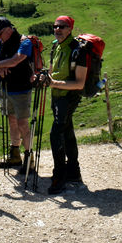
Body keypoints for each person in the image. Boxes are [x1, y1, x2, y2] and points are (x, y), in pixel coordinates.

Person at [39, 14, 99, 193]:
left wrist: (52, 83)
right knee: (67, 131)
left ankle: (59, 175)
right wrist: (43, 77)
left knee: (56, 134)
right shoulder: (56, 47)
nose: (57, 29)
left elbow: (79, 83)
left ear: (70, 29)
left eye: (62, 26)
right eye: (55, 26)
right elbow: (52, 72)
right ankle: (74, 171)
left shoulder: (77, 50)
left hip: (68, 97)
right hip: (57, 95)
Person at [0, 17, 37, 170]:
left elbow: (15, 60)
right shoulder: (1, 43)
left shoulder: (25, 43)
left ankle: (29, 158)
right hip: (7, 88)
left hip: (22, 89)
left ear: (9, 30)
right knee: (12, 120)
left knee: (23, 123)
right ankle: (15, 155)